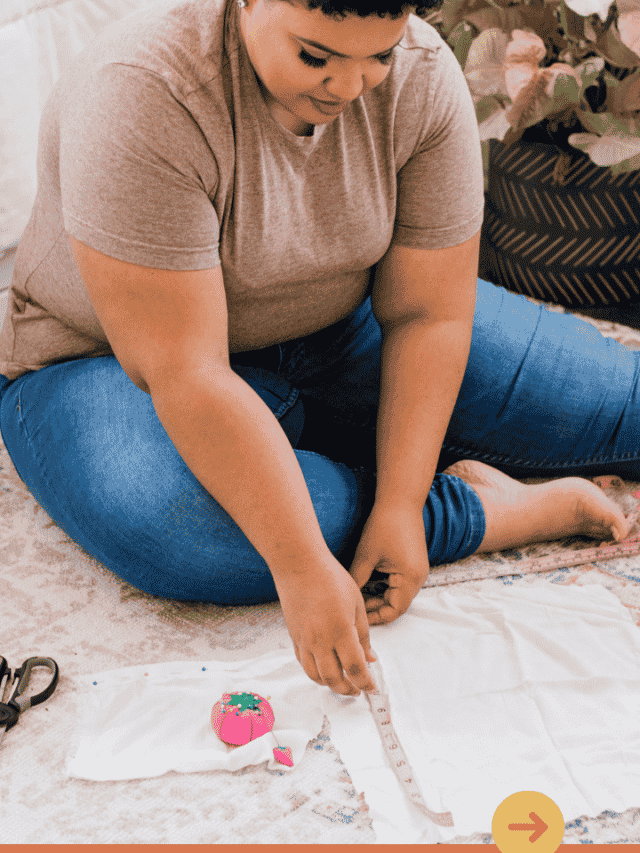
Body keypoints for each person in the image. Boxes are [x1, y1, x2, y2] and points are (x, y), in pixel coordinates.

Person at [0, 0, 635, 701]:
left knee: (627, 408)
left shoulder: (423, 73)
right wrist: (301, 565)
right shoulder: (141, 91)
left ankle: (378, 490)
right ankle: (476, 511)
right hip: (104, 370)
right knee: (179, 527)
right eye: (316, 56)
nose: (349, 86)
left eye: (379, 55)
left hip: (343, 330)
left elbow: (428, 315)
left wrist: (400, 503)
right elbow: (187, 371)